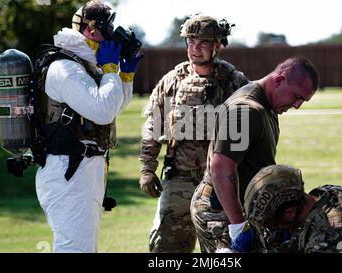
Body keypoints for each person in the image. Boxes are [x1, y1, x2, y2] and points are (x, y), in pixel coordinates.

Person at [35, 0, 141, 252]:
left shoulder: (83, 65)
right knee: (75, 248)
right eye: (109, 27)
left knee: (83, 247)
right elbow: (102, 112)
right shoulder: (66, 68)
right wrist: (110, 70)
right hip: (68, 170)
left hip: (83, 169)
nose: (114, 33)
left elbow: (112, 106)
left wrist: (124, 77)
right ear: (91, 30)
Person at [139, 14, 249, 253]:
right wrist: (147, 169)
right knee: (166, 250)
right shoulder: (172, 81)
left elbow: (251, 132)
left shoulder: (234, 83)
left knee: (222, 250)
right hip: (178, 180)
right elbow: (153, 125)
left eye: (203, 43)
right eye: (190, 42)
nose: (195, 49)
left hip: (217, 185)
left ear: (217, 45)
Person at [190, 57, 319, 253]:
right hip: (222, 211)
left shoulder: (266, 106)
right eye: (296, 96)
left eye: (303, 100)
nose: (297, 105)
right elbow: (221, 167)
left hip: (240, 208)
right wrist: (237, 226)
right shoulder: (245, 110)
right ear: (279, 80)